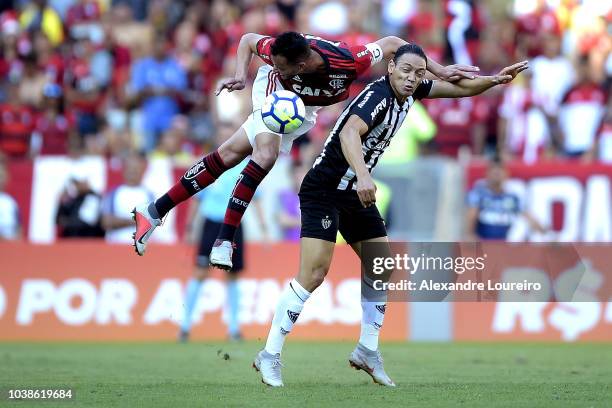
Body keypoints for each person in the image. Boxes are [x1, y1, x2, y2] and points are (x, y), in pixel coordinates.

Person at [253, 44, 528, 387]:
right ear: (391, 68)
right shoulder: (378, 95)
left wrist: (495, 80)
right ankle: (270, 354)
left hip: (355, 193)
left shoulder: (412, 92)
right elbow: (351, 132)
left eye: (418, 72)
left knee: (381, 266)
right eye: (406, 70)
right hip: (325, 189)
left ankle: (367, 350)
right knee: (314, 273)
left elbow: (459, 88)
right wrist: (365, 175)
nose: (412, 78)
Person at [132, 31, 480, 266]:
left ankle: (154, 211)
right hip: (277, 100)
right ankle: (224, 240)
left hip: (304, 109)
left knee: (227, 157)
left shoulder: (349, 60)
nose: (272, 64)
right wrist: (242, 73)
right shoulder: (275, 61)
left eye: (279, 65)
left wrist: (438, 70)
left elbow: (392, 43)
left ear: (301, 64)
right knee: (263, 155)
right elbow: (249, 41)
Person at [179, 123, 268, 342]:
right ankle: (184, 325)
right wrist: (190, 227)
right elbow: (196, 198)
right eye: (223, 136)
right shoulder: (209, 164)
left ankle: (234, 328)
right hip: (211, 223)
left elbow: (256, 200)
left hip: (235, 226)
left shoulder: (248, 165)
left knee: (233, 276)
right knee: (200, 272)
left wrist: (264, 228)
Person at [465, 159, 547, 241]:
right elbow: (471, 216)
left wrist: (545, 232)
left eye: (500, 169)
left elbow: (528, 216)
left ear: (507, 174)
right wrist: (470, 235)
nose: (496, 172)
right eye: (493, 169)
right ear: (486, 173)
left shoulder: (513, 197)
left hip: (506, 244)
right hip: (484, 242)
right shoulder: (478, 194)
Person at [102, 151, 154, 244]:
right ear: (124, 170)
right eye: (130, 168)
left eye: (136, 169)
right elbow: (106, 222)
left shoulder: (149, 195)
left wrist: (119, 221)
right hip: (116, 246)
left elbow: (151, 222)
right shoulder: (113, 194)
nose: (132, 172)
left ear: (142, 170)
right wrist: (136, 220)